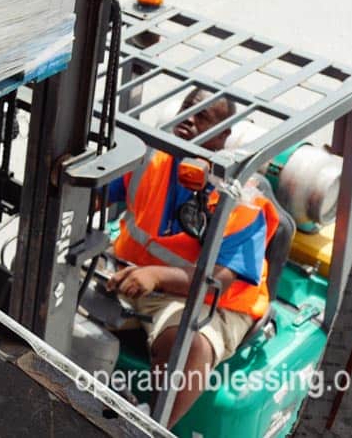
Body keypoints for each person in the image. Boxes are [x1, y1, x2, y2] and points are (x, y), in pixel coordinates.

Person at [104, 91, 278, 425]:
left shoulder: (243, 200)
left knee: (188, 342)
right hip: (129, 274)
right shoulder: (150, 160)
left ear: (224, 135)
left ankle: (150, 427)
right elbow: (94, 191)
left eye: (203, 116)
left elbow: (216, 283)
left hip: (212, 301)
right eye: (187, 108)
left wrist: (155, 276)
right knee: (47, 277)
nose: (189, 119)